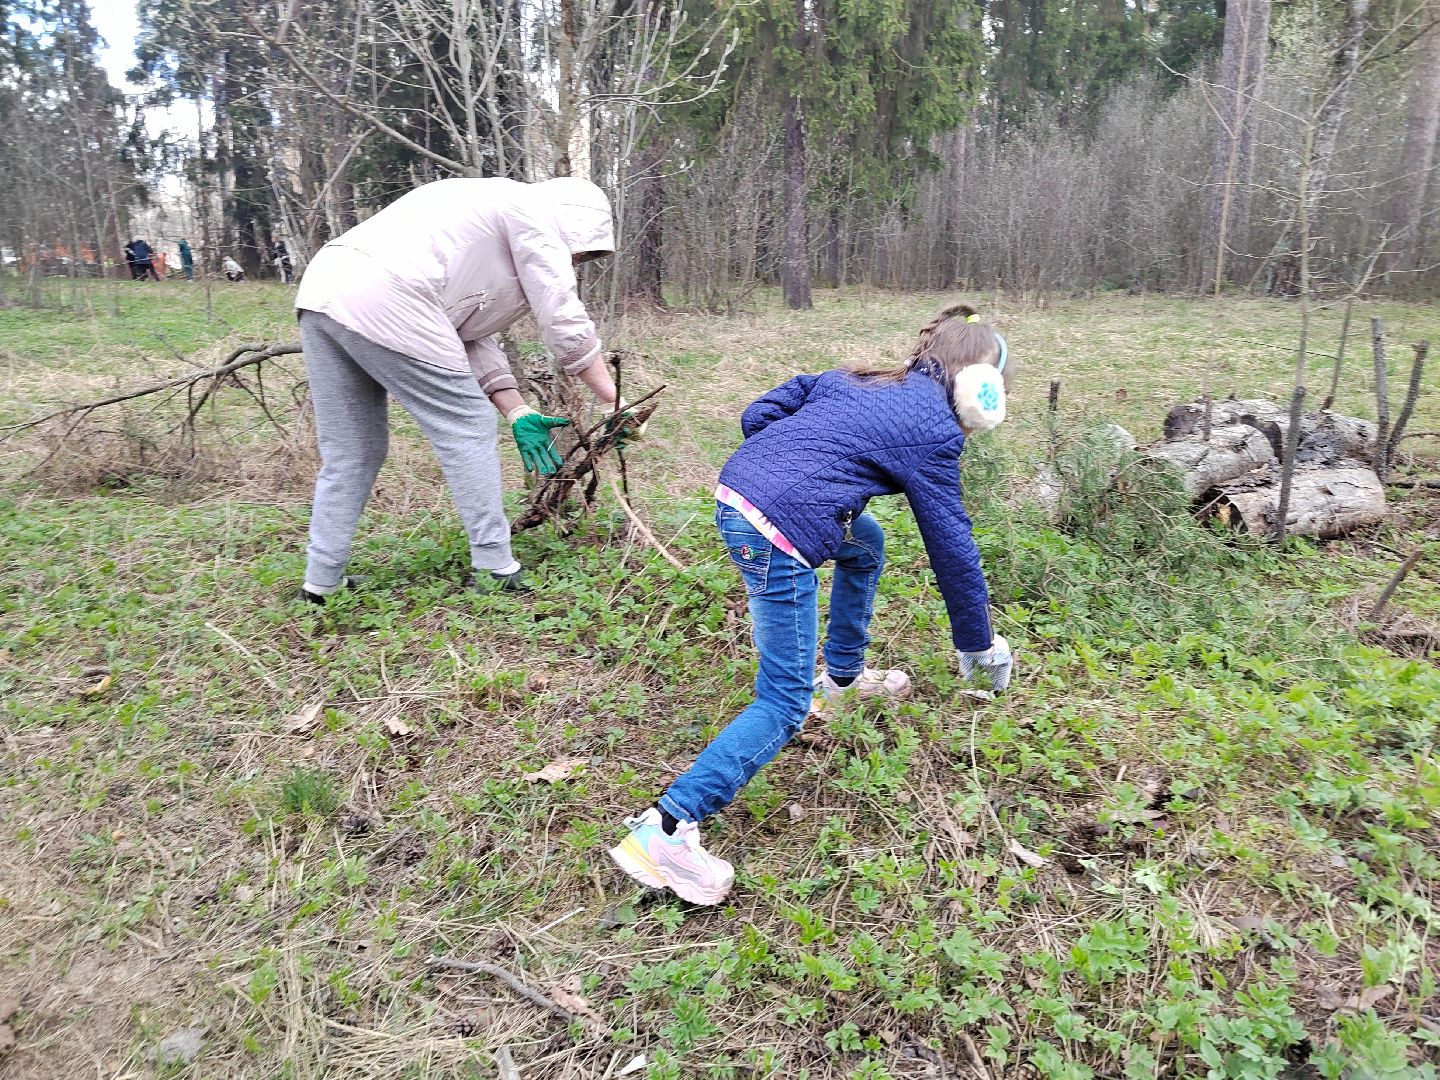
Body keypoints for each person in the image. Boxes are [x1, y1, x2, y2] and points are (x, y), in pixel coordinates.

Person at [607, 304, 1016, 905]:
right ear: (982, 389)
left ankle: (843, 680)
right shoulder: (935, 433)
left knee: (865, 545)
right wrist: (978, 646)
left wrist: (794, 469)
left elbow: (758, 414)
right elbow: (952, 548)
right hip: (776, 533)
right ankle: (665, 829)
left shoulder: (855, 378)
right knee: (783, 700)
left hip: (736, 492)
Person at [291, 175, 634, 604]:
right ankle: (494, 567)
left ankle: (321, 582)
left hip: (323, 289)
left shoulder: (484, 210)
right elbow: (562, 316)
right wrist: (612, 398)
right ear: (574, 227)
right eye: (580, 254)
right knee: (467, 427)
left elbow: (464, 333)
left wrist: (516, 409)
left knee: (354, 449)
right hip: (391, 293)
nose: (577, 262)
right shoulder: (535, 216)